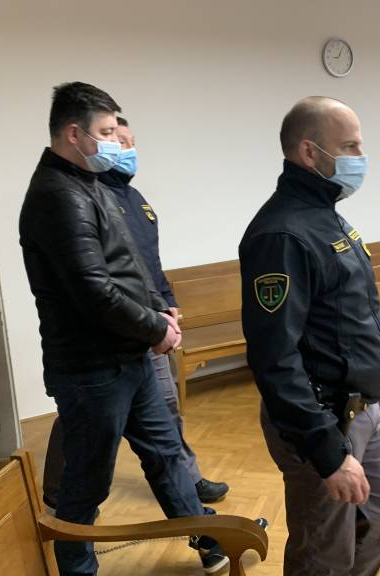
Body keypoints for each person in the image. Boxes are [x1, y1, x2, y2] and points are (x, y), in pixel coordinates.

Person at [19, 82, 232, 575]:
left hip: (126, 355)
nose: (115, 143)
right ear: (75, 134)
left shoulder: (89, 183)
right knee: (88, 483)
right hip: (91, 369)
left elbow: (129, 262)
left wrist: (160, 309)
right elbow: (93, 291)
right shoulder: (57, 195)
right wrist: (155, 330)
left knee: (166, 455)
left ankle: (208, 540)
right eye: (107, 132)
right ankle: (77, 569)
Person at [239, 96, 380, 576]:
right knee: (324, 555)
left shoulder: (326, 213)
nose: (360, 157)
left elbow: (346, 314)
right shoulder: (282, 235)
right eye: (349, 146)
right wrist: (328, 455)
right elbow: (275, 359)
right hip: (323, 419)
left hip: (362, 406)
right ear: (309, 153)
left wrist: (379, 374)